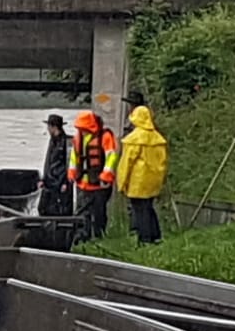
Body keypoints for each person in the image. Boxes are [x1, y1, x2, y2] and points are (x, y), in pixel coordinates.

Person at [117, 105, 168, 245]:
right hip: (153, 181)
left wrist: (121, 183)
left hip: (138, 181)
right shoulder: (158, 138)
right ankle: (156, 235)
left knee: (139, 210)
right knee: (149, 207)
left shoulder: (134, 139)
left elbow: (126, 163)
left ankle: (144, 238)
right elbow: (163, 162)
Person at [67, 109, 119, 240]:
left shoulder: (105, 136)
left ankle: (99, 236)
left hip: (99, 185)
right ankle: (81, 238)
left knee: (99, 213)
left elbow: (111, 157)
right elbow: (74, 157)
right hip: (82, 183)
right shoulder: (78, 138)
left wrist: (106, 175)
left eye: (83, 127)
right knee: (81, 213)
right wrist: (71, 172)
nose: (82, 131)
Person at [38, 114, 73, 216]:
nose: (48, 129)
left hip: (61, 182)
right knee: (43, 209)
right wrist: (43, 179)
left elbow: (69, 163)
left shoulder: (67, 142)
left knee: (61, 211)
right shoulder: (52, 141)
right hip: (49, 181)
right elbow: (48, 162)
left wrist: (66, 182)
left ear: (54, 127)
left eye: (49, 126)